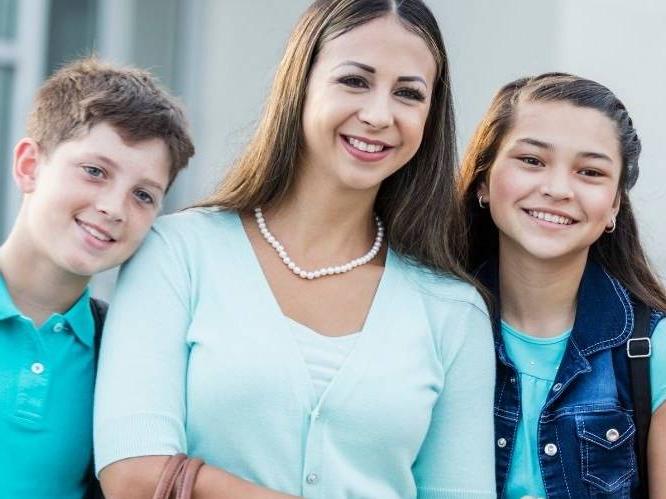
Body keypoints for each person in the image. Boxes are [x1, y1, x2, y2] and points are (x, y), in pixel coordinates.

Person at [93, 0, 497, 498]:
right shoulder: (176, 253)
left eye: (409, 94)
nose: (377, 114)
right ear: (301, 83)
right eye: (354, 80)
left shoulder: (454, 312)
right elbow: (131, 476)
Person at [458, 73, 666, 498]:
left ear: (613, 206)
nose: (556, 189)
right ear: (483, 180)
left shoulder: (654, 347)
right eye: (532, 161)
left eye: (589, 172)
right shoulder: (431, 323)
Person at [0, 57, 194, 498]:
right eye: (95, 172)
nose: (113, 207)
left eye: (143, 195)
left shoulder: (130, 359)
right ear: (30, 166)